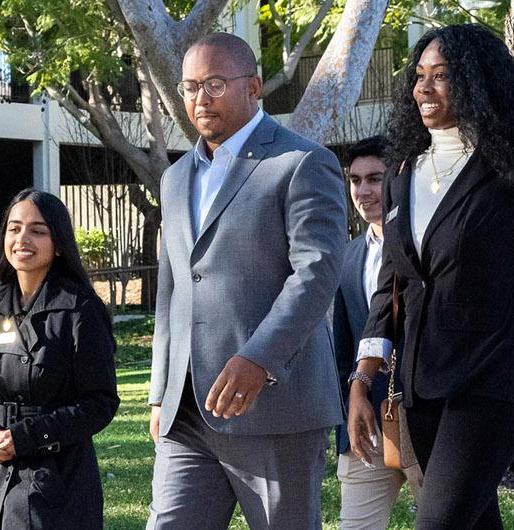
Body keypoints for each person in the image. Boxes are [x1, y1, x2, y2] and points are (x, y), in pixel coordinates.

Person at [344, 24, 514, 530]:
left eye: (441, 76)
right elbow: (391, 282)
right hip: (420, 390)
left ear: (474, 81)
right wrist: (363, 380)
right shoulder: (402, 170)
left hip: (490, 385)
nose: (424, 88)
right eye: (419, 76)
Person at [146, 32, 347, 530]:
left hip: (274, 407)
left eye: (215, 84)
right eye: (191, 86)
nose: (200, 98)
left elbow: (316, 273)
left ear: (254, 85)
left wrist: (260, 357)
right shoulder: (175, 180)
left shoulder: (301, 163)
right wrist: (159, 392)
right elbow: (172, 289)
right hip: (188, 413)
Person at [0, 189, 120, 530]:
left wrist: (26, 437)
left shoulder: (80, 309)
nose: (23, 238)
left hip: (59, 484)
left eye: (38, 230)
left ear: (59, 243)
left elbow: (100, 402)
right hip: (0, 482)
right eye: (14, 228)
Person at [332, 136, 423, 530]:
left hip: (428, 416)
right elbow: (343, 346)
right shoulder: (347, 255)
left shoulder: (428, 243)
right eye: (355, 180)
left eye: (374, 178)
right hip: (365, 419)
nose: (364, 190)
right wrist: (346, 415)